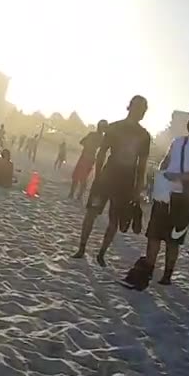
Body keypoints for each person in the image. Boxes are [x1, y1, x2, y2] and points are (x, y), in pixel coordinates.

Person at [124, 108, 189, 290]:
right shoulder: (178, 141)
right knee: (154, 234)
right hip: (165, 194)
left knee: (174, 239)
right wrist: (160, 175)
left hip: (184, 197)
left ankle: (167, 275)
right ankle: (148, 269)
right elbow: (166, 161)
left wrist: (178, 177)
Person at [73, 95, 151, 266]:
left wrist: (137, 188)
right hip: (117, 177)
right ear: (130, 108)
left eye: (142, 110)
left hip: (117, 177)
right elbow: (104, 153)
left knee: (107, 217)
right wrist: (99, 174)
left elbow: (140, 164)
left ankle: (92, 251)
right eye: (140, 109)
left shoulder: (131, 131)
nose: (141, 113)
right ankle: (91, 251)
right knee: (102, 215)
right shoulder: (135, 132)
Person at [69, 120, 108, 200]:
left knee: (77, 176)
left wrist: (88, 144)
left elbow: (82, 142)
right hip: (91, 157)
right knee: (83, 177)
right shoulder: (102, 138)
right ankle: (78, 195)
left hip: (85, 156)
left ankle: (72, 193)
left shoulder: (92, 135)